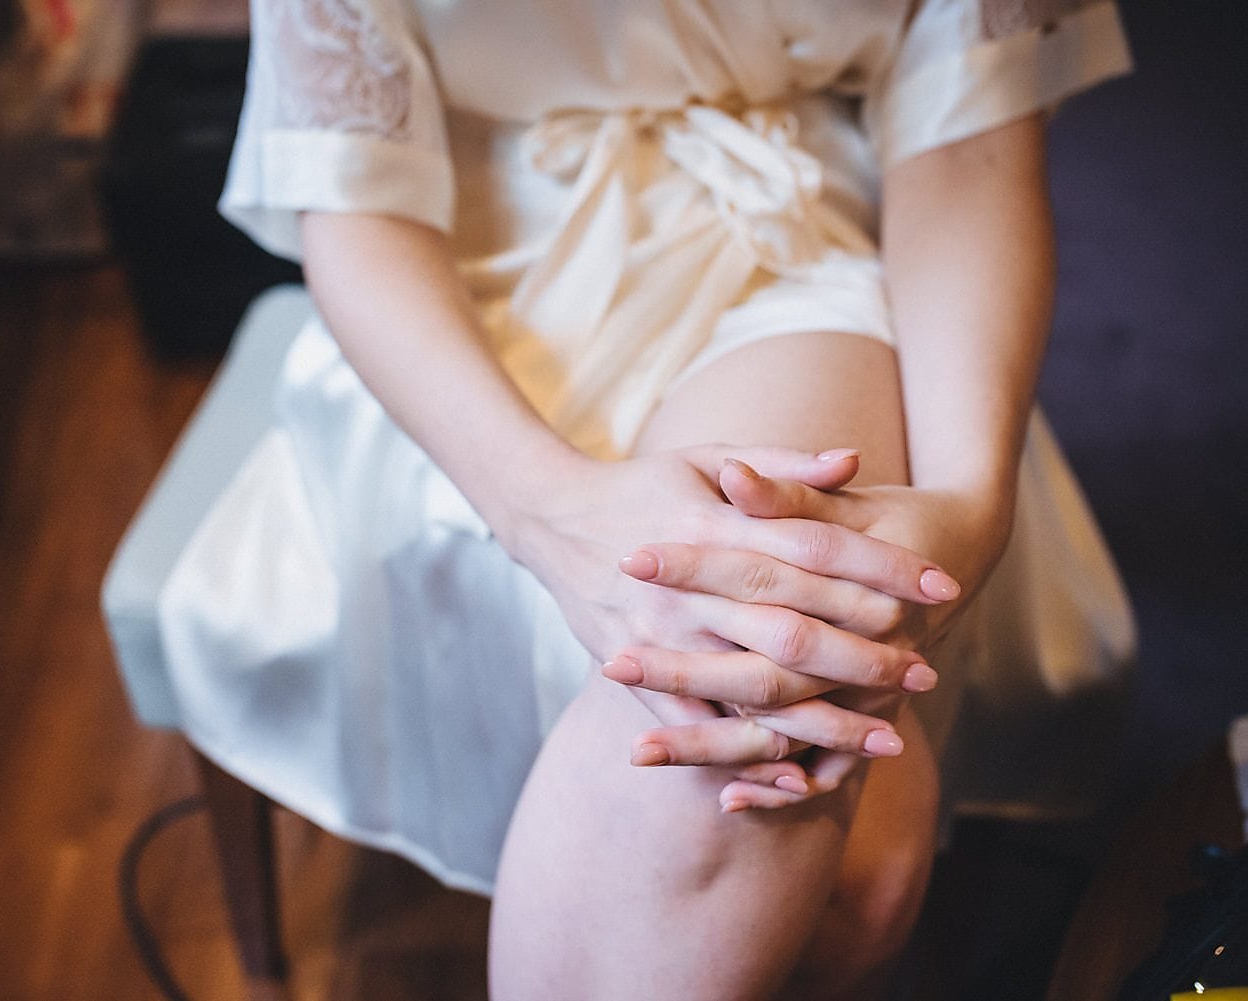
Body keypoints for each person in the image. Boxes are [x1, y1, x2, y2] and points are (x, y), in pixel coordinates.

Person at [155, 1, 1137, 997]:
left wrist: (975, 502)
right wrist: (550, 512)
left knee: (767, 641)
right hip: (471, 268)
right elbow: (358, 210)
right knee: (856, 867)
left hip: (791, 226)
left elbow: (970, 152)